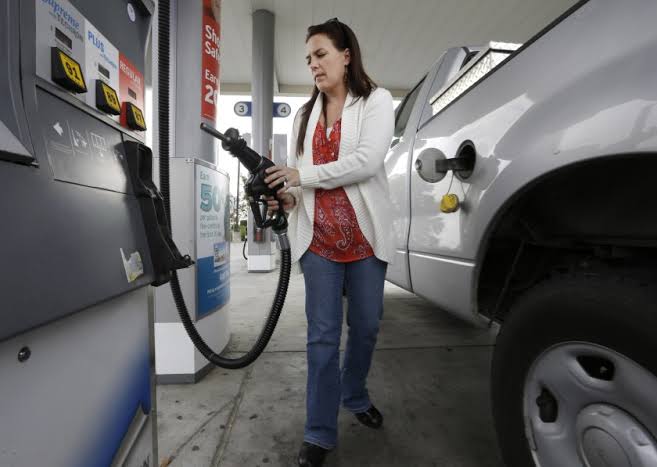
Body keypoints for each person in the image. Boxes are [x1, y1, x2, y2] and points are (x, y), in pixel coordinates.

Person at [263, 17, 395, 467]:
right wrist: (286, 196)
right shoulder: (304, 116)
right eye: (308, 59)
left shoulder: (376, 101)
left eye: (320, 54)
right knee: (322, 339)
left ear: (346, 55)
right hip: (318, 241)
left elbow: (367, 161)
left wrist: (301, 176)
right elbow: (300, 186)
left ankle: (354, 394)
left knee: (367, 326)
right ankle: (318, 432)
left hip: (365, 240)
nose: (313, 65)